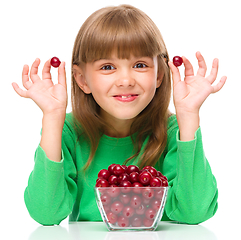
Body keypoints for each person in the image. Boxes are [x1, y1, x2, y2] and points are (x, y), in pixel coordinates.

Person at [12, 4, 226, 226]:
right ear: (82, 79)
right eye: (107, 67)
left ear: (160, 75)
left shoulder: (173, 131)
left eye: (140, 65)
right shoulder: (69, 132)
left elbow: (195, 212)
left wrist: (189, 116)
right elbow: (46, 214)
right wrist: (52, 118)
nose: (125, 80)